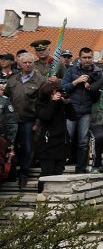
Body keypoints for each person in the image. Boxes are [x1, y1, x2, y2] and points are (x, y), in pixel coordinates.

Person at [5, 52, 46, 187]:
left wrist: (38, 122)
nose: (28, 65)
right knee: (11, 148)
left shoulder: (40, 80)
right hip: (11, 121)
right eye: (25, 62)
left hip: (29, 120)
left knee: (27, 148)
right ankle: (10, 174)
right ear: (19, 64)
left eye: (30, 62)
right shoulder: (12, 79)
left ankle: (24, 175)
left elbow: (43, 103)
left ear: (34, 63)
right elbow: (6, 98)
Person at [61, 47, 103, 173]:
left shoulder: (98, 73)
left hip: (86, 111)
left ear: (92, 58)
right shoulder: (71, 70)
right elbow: (63, 88)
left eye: (89, 57)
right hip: (71, 110)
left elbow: (98, 96)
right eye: (84, 57)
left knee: (83, 142)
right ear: (79, 58)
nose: (87, 60)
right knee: (66, 140)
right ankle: (60, 167)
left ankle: (80, 169)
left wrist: (91, 88)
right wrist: (76, 82)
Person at [35, 81, 73, 192]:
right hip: (47, 143)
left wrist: (68, 104)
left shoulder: (61, 103)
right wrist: (52, 102)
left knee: (58, 173)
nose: (57, 95)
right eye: (54, 93)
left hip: (61, 142)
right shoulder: (40, 103)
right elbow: (46, 117)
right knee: (47, 172)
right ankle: (41, 197)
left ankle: (54, 198)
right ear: (48, 93)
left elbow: (73, 117)